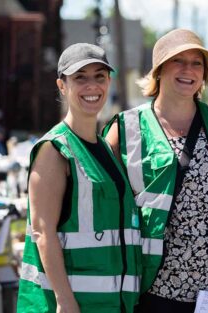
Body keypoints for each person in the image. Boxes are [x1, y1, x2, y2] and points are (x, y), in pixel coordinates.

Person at [104, 28, 208, 313]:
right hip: (145, 287)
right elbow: (106, 206)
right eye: (178, 61)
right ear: (159, 70)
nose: (188, 70)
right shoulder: (124, 128)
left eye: (196, 63)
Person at [17, 43, 142, 313]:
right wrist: (65, 300)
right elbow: (42, 232)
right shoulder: (54, 149)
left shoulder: (107, 150)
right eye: (80, 78)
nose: (92, 86)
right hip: (70, 305)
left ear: (109, 82)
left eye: (99, 77)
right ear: (62, 86)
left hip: (111, 303)